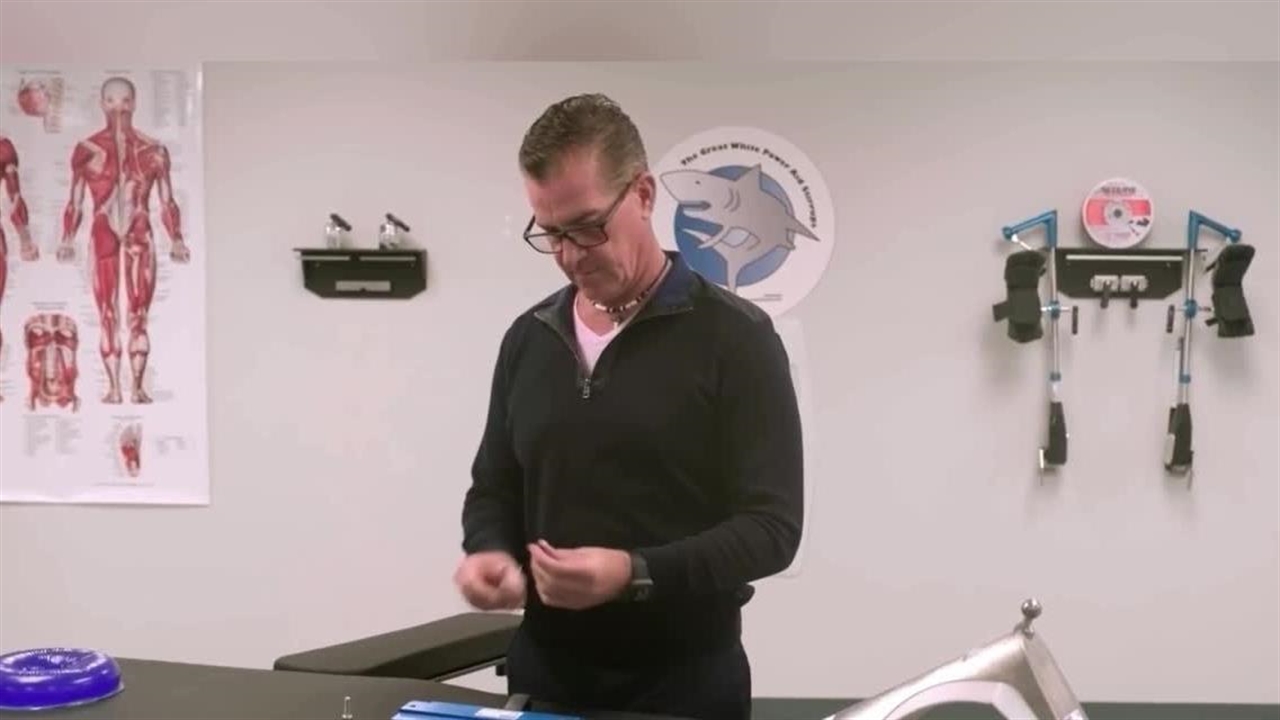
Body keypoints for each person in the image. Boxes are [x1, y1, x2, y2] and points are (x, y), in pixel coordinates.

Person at [454, 93, 804, 720]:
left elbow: (771, 530)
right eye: (551, 233)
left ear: (643, 195)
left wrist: (633, 572)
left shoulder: (737, 338)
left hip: (685, 686)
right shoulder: (528, 339)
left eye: (588, 227)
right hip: (546, 676)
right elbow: (494, 487)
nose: (569, 255)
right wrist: (489, 551)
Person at [57, 76, 190, 405]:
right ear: (102, 104)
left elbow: (167, 200)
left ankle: (137, 388)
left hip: (138, 229)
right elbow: (75, 200)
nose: (119, 107)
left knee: (138, 313)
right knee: (107, 312)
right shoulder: (86, 150)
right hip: (103, 229)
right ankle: (114, 388)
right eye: (112, 100)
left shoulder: (153, 151)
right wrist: (67, 238)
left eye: (126, 100)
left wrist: (176, 239)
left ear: (135, 103)